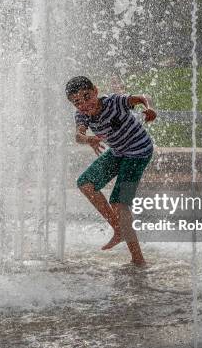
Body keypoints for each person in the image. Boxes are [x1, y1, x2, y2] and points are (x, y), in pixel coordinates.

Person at [65, 76, 156, 267]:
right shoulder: (82, 115)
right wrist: (87, 139)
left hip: (138, 151)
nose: (84, 104)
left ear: (96, 91)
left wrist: (148, 108)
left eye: (87, 96)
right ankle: (118, 229)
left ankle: (138, 260)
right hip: (118, 152)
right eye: (77, 102)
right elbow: (78, 135)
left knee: (119, 203)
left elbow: (141, 98)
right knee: (85, 183)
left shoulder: (114, 102)